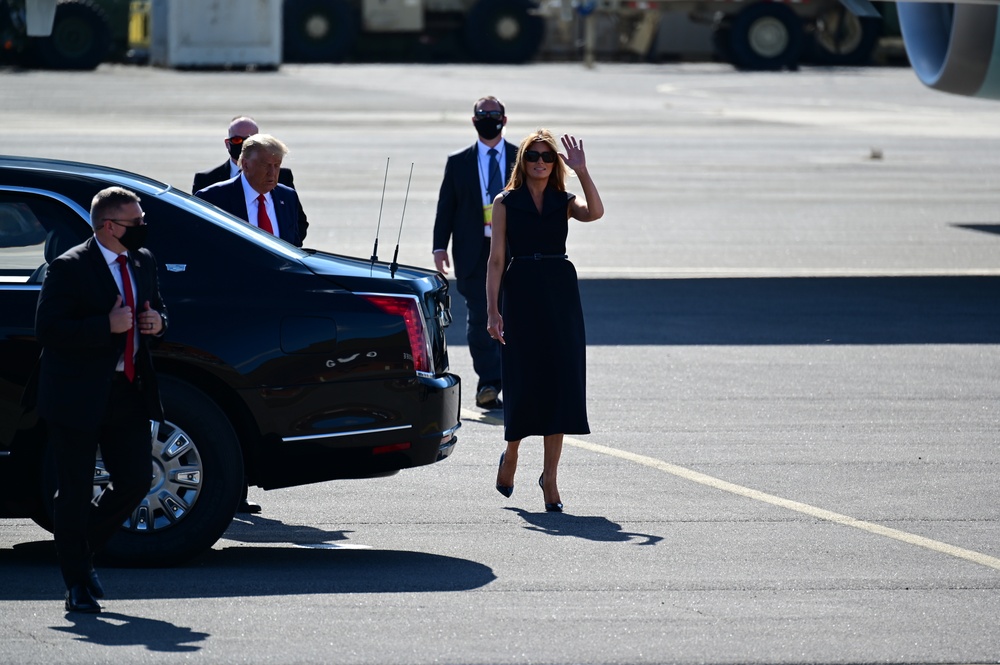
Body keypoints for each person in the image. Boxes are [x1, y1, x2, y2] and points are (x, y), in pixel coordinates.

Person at [35, 186, 168, 613]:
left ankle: (79, 552)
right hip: (76, 393)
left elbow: (160, 308)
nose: (143, 228)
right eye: (136, 222)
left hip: (126, 389)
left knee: (135, 480)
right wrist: (104, 326)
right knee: (73, 490)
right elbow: (49, 331)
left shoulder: (142, 260)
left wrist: (157, 322)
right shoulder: (69, 267)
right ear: (109, 226)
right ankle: (76, 583)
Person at [486, 130, 604, 513]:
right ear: (523, 161)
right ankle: (512, 452)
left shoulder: (563, 200)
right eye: (534, 156)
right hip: (520, 292)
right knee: (523, 380)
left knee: (560, 384)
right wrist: (493, 309)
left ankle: (550, 478)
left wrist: (582, 171)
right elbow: (496, 260)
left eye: (548, 157)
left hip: (560, 293)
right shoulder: (504, 202)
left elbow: (596, 212)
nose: (541, 162)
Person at [432, 96, 516, 410]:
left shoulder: (522, 157)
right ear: (474, 120)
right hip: (473, 250)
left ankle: (512, 379)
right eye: (483, 114)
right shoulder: (459, 162)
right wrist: (440, 246)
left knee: (512, 315)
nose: (489, 118)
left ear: (504, 120)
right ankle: (489, 384)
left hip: (511, 249)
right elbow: (446, 207)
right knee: (481, 316)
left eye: (494, 114)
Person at [193, 116, 309, 243]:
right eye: (265, 165)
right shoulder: (212, 197)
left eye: (277, 165)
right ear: (246, 165)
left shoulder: (287, 196)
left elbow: (295, 241)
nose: (272, 172)